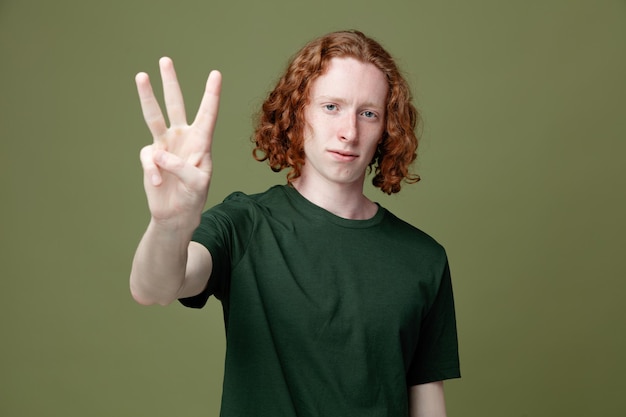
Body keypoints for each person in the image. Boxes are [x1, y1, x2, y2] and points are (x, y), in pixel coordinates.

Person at [130, 30, 460, 417]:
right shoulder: (245, 225)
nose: (349, 132)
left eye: (368, 113)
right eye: (331, 107)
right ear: (297, 111)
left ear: (386, 128)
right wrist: (169, 223)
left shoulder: (423, 259)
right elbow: (155, 287)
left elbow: (427, 401)